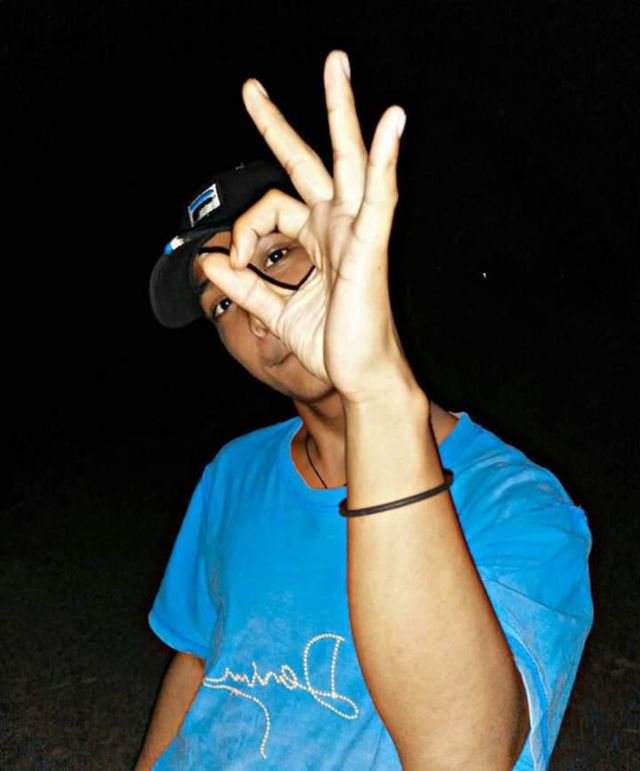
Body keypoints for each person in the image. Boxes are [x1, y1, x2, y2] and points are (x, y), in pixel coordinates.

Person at [137, 51, 593, 771]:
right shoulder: (232, 473)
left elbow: (467, 756)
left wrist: (376, 390)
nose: (256, 310)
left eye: (275, 256)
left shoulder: (518, 504)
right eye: (220, 302)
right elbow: (198, 659)